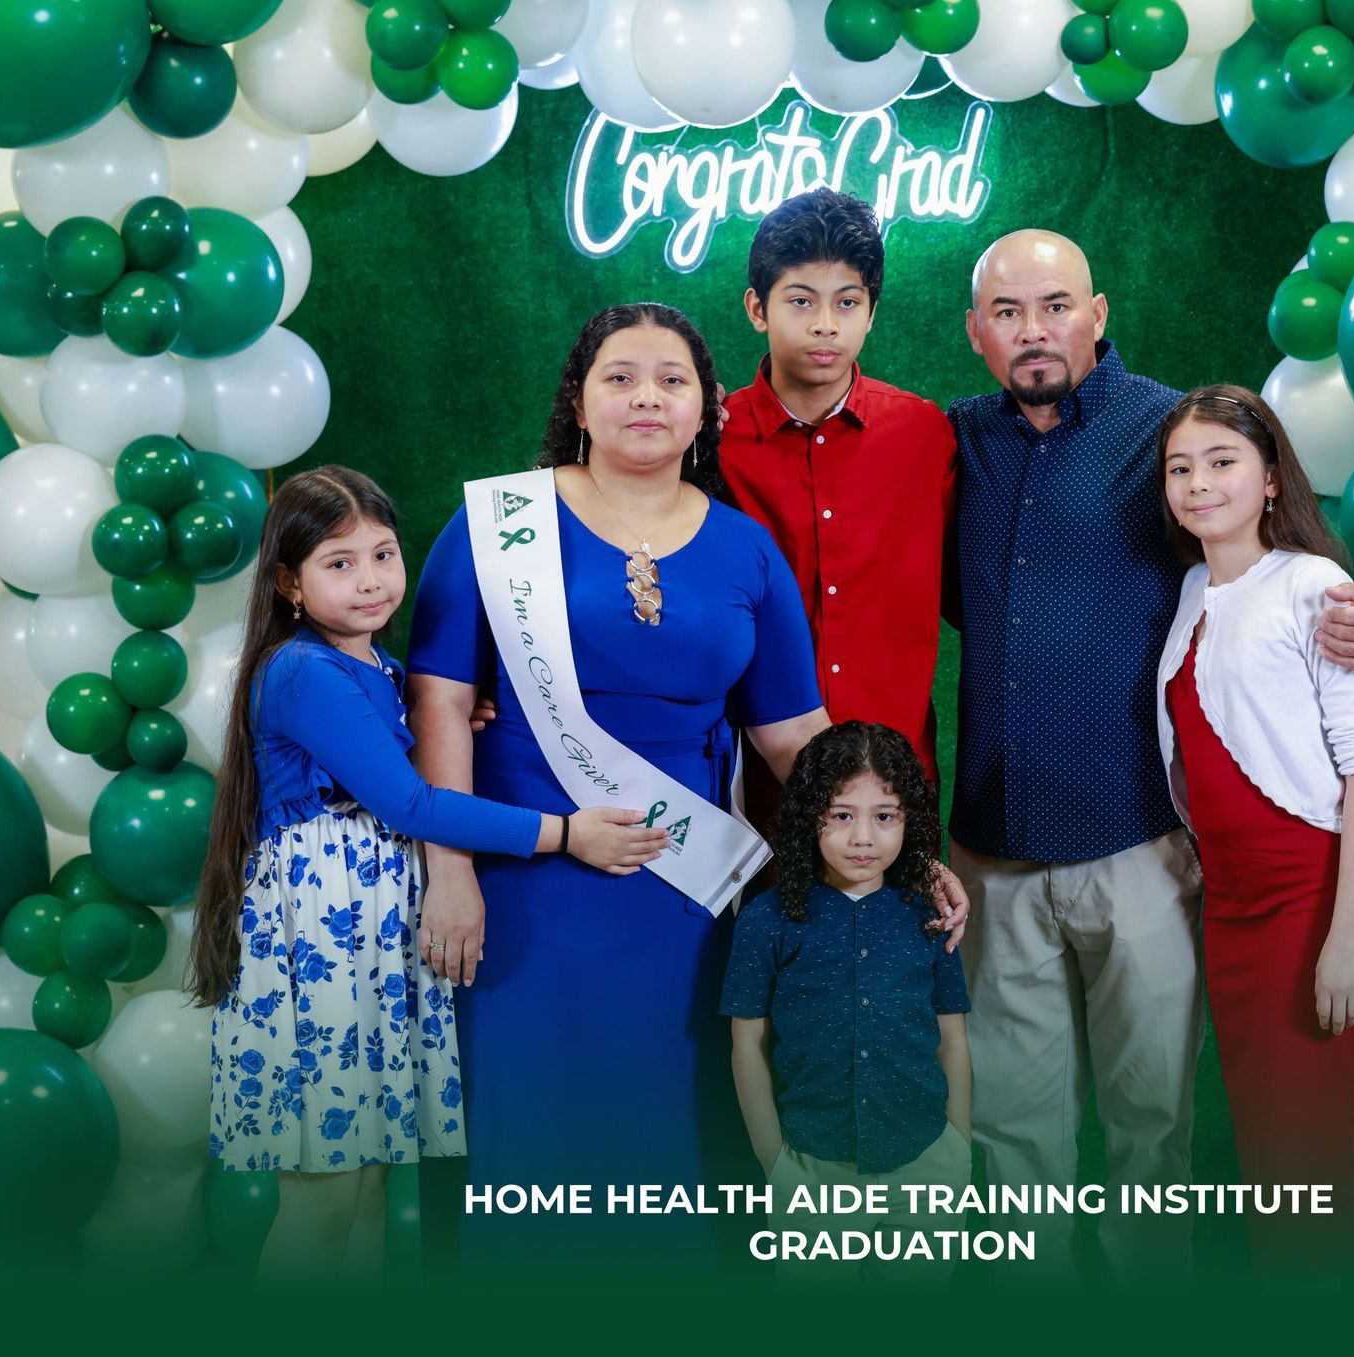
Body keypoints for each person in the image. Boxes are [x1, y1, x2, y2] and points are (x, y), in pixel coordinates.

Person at [404, 304, 962, 1276]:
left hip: (684, 900)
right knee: (531, 1127)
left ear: (707, 410)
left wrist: (907, 853)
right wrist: (447, 871)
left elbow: (793, 735)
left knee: (664, 1136)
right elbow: (442, 704)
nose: (647, 397)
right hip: (522, 883)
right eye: (620, 376)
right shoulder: (498, 525)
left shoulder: (746, 549)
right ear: (578, 398)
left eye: (673, 379)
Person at [947, 229, 1354, 1275]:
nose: (1034, 330)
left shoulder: (1166, 431)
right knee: (1016, 1138)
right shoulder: (954, 443)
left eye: (1055, 304)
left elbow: (1288, 576)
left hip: (1138, 847)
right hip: (995, 849)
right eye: (1008, 312)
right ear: (976, 332)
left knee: (1153, 1126)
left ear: (1097, 313)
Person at [188, 466, 587, 1282]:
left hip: (368, 944)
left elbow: (396, 742)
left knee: (367, 1191)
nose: (371, 579)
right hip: (321, 948)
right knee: (324, 1200)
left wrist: (439, 713)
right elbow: (410, 802)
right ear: (288, 583)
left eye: (383, 554)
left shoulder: (376, 669)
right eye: (339, 562)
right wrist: (562, 833)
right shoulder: (302, 671)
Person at [1154, 386, 1354, 1273]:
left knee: (1318, 1156)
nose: (1198, 483)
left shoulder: (1314, 583)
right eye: (1181, 467)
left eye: (1222, 462)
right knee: (1270, 1154)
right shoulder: (1188, 590)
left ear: (1269, 479)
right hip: (1233, 909)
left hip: (1311, 895)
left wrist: (1346, 939)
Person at [719, 189, 958, 788]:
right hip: (749, 788)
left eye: (847, 302)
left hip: (896, 781)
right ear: (757, 308)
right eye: (800, 301)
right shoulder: (709, 440)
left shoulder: (924, 434)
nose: (826, 323)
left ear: (871, 311)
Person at [722, 722, 972, 1288]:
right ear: (809, 816)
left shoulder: (927, 915)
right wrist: (775, 1165)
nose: (863, 837)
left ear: (910, 819)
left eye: (884, 815)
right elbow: (747, 1047)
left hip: (926, 1162)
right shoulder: (766, 920)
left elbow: (952, 1037)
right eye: (841, 814)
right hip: (810, 1167)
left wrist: (957, 1147)